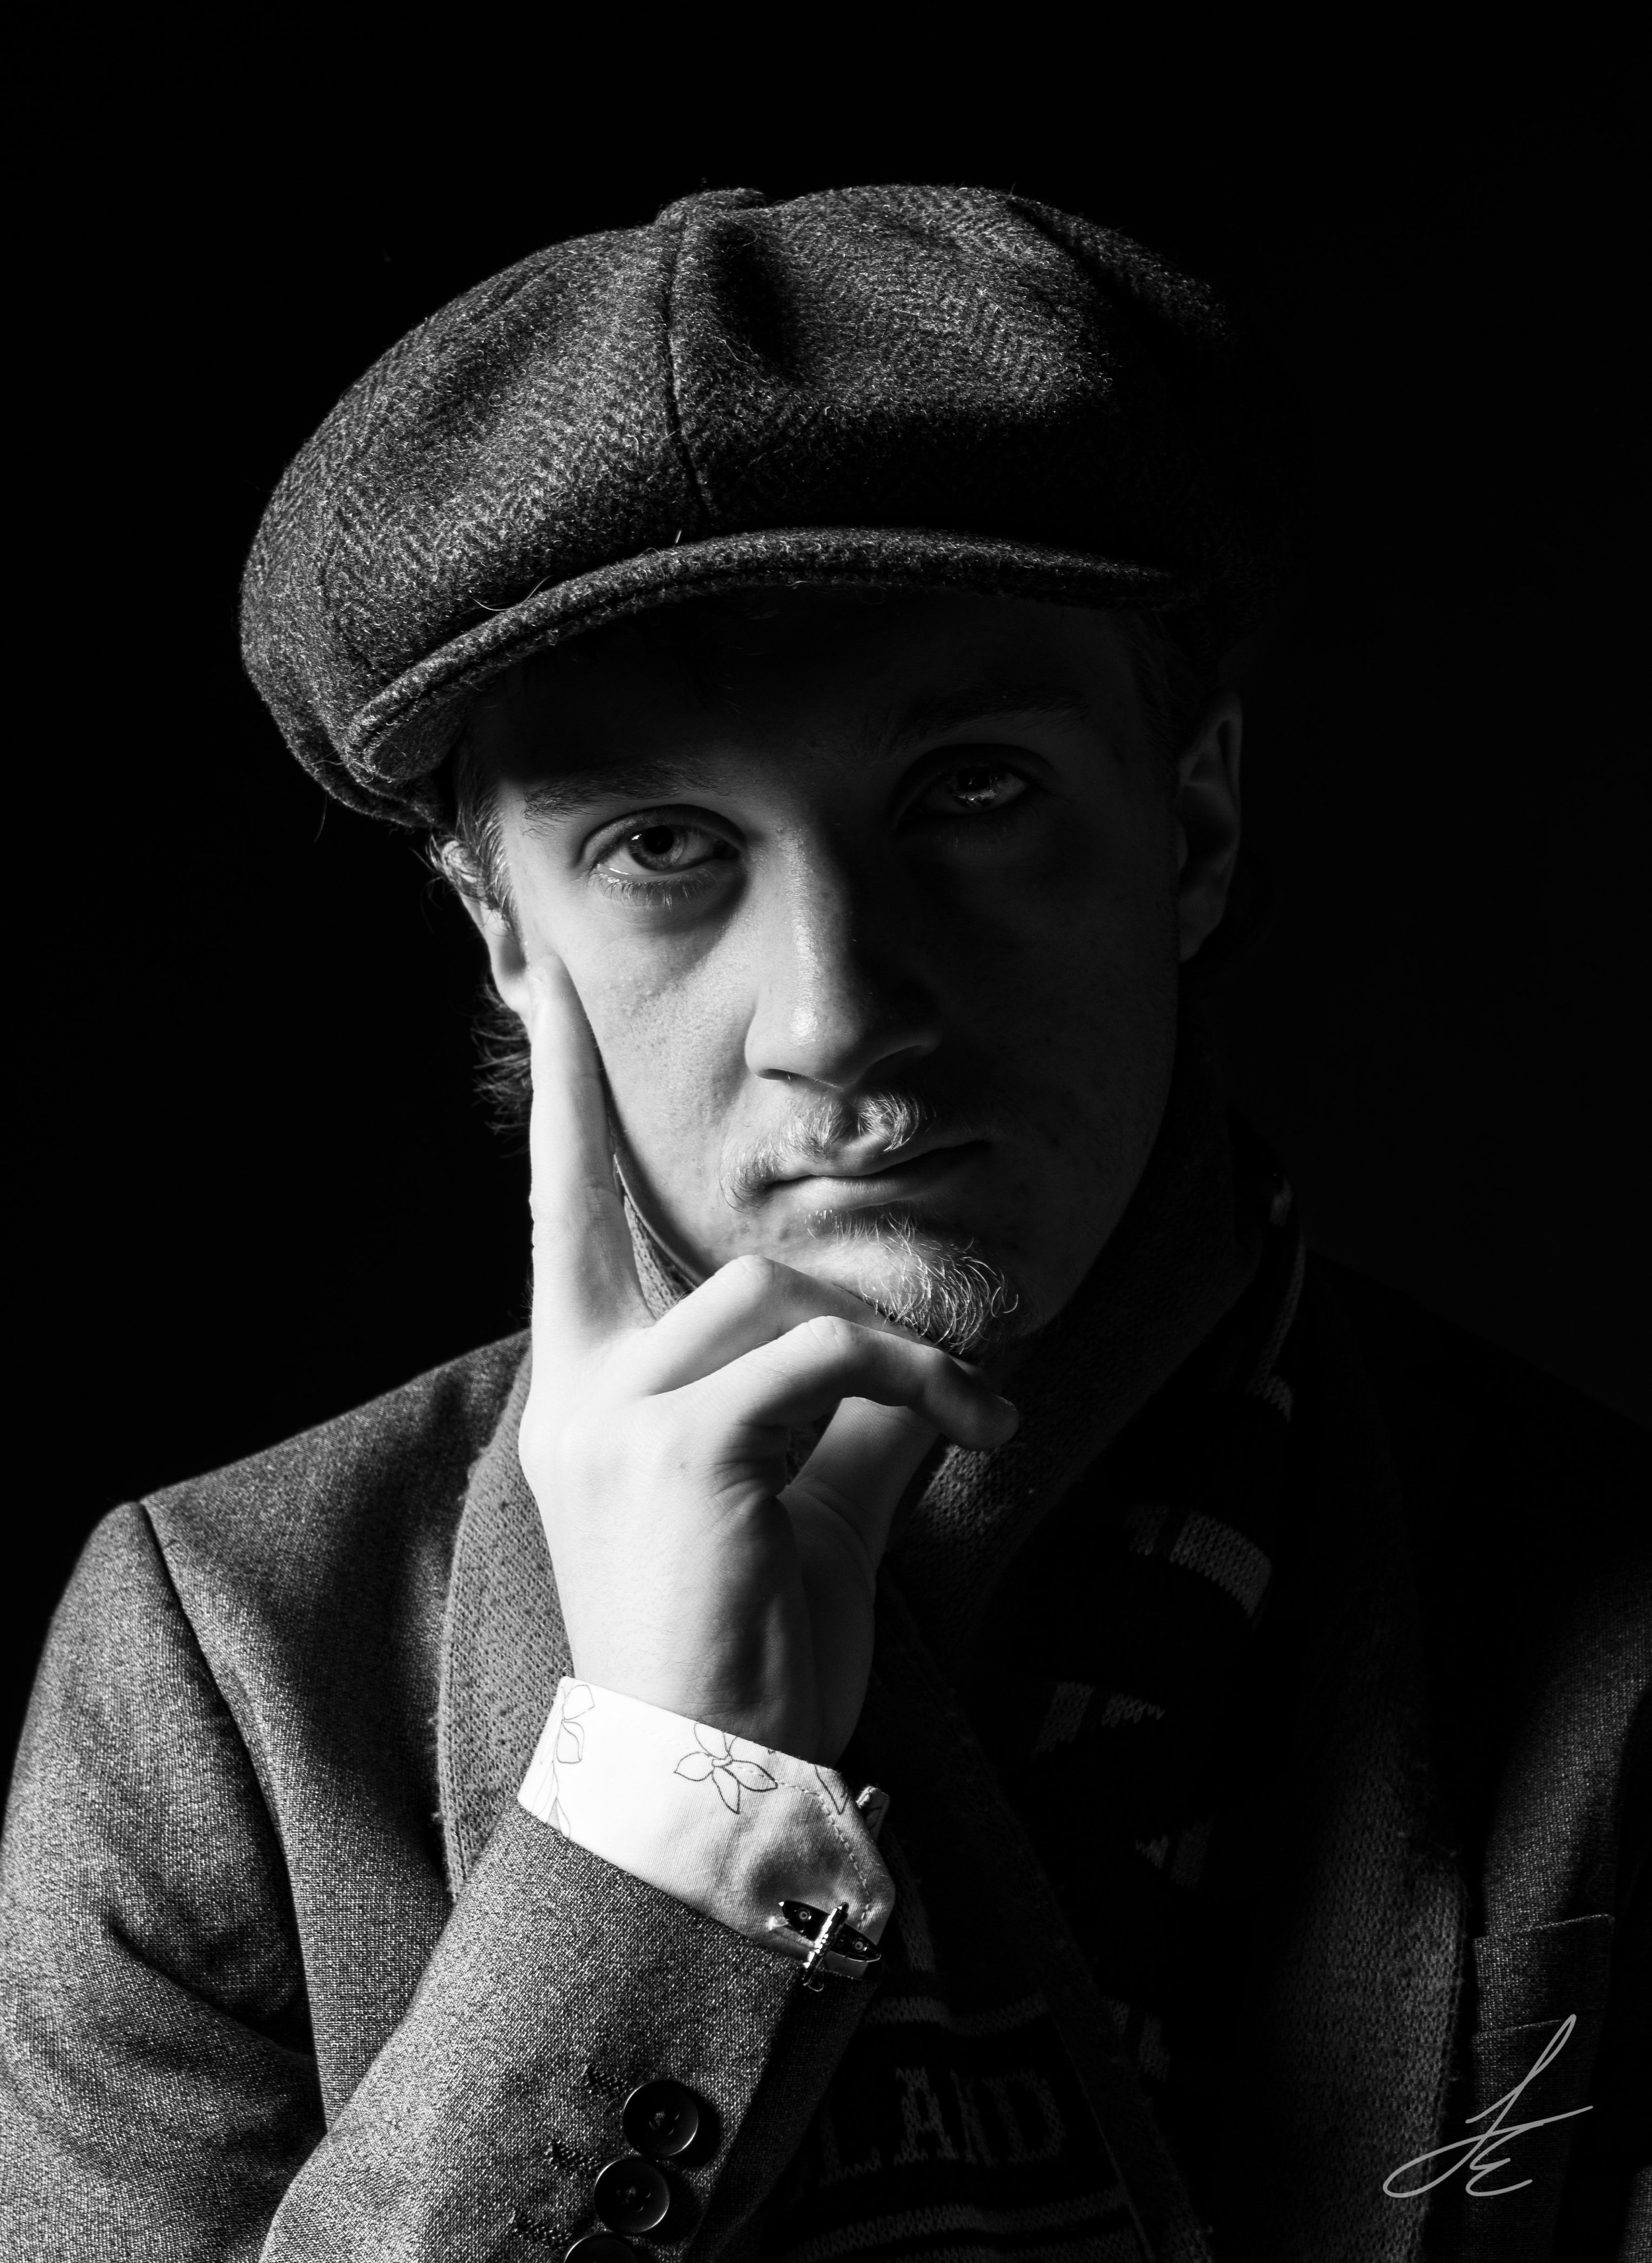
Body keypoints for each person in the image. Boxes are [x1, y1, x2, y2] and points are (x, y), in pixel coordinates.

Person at [2, 184, 1645, 2263]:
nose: (836, 1009)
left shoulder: (1605, 1631)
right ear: (510, 943)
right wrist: (653, 1810)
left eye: (966, 790)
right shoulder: (229, 1673)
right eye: (664, 847)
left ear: (1193, 819)